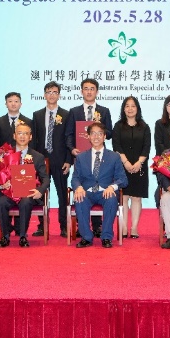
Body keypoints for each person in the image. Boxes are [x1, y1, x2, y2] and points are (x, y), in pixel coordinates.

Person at [64, 78, 114, 237]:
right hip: (81, 157)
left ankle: (98, 227)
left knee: (98, 185)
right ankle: (82, 227)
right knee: (83, 188)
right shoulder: (74, 111)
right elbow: (69, 134)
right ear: (81, 91)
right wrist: (72, 149)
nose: (89, 91)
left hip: (99, 155)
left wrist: (100, 127)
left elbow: (110, 133)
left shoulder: (104, 111)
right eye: (86, 88)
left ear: (97, 92)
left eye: (92, 88)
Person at [71, 122, 128, 248]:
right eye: (93, 134)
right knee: (79, 198)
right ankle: (86, 237)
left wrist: (112, 187)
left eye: (100, 134)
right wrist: (78, 187)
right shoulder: (81, 157)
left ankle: (106, 237)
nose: (96, 137)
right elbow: (75, 178)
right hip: (87, 192)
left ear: (104, 136)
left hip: (105, 192)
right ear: (88, 136)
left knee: (111, 198)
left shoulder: (114, 157)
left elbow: (123, 179)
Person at [0, 123, 50, 247]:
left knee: (25, 202)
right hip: (9, 193)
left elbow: (45, 178)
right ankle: (5, 236)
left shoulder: (38, 156)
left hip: (28, 194)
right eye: (19, 133)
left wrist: (40, 190)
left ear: (30, 137)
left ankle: (23, 236)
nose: (22, 136)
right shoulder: (6, 154)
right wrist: (1, 185)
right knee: (1, 202)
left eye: (26, 134)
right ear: (14, 136)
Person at [31, 81, 72, 238]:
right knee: (40, 193)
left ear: (59, 95)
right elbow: (34, 141)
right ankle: (42, 225)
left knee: (62, 194)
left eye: (55, 92)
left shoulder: (67, 115)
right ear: (44, 95)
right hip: (42, 161)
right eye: (49, 92)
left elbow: (69, 139)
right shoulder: (37, 115)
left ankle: (64, 226)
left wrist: (68, 160)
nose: (52, 95)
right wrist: (33, 161)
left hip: (61, 161)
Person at [111, 96, 151, 239]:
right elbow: (116, 146)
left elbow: (147, 147)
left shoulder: (144, 127)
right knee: (124, 197)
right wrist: (126, 163)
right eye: (127, 106)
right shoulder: (118, 126)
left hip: (140, 167)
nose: (130, 109)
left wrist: (139, 162)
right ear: (123, 109)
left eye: (133, 106)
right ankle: (123, 228)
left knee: (136, 198)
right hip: (122, 166)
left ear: (137, 108)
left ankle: (134, 228)